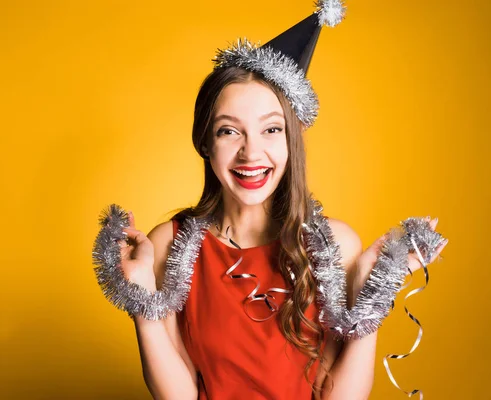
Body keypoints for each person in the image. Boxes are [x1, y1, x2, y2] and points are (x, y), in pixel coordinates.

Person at [108, 1, 448, 399]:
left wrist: (372, 296)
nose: (251, 154)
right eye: (228, 132)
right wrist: (140, 301)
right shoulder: (169, 245)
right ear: (205, 141)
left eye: (271, 129)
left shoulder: (335, 247)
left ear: (292, 139)